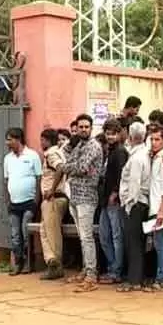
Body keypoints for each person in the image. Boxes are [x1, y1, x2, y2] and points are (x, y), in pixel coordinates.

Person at [58, 113, 104, 293]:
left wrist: (64, 168)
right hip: (75, 195)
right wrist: (69, 159)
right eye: (80, 127)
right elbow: (69, 158)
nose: (83, 130)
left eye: (86, 127)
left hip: (87, 196)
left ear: (91, 128)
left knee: (86, 237)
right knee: (81, 236)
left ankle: (91, 274)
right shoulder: (79, 145)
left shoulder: (94, 146)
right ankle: (86, 270)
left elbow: (80, 168)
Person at [3, 127, 42, 276]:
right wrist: (7, 199)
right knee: (15, 234)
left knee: (26, 232)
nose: (7, 143)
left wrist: (36, 200)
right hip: (14, 203)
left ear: (18, 139)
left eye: (10, 139)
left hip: (29, 202)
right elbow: (5, 180)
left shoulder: (32, 156)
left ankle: (27, 262)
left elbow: (39, 178)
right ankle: (17, 262)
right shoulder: (8, 159)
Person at [118, 121, 151, 292]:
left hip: (136, 203)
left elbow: (134, 183)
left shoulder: (138, 157)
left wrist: (129, 204)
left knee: (134, 243)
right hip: (140, 202)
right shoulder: (143, 154)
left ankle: (134, 280)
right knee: (136, 242)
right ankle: (136, 278)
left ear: (130, 137)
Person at [98, 118, 129, 284]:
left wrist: (115, 192)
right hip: (104, 199)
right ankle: (112, 266)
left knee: (116, 236)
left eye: (113, 134)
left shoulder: (120, 152)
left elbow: (122, 175)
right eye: (108, 133)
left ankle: (116, 270)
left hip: (114, 200)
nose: (110, 137)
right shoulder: (109, 151)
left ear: (119, 134)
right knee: (104, 235)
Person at [146, 125, 163, 292]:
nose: (154, 142)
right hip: (154, 206)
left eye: (157, 139)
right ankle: (160, 276)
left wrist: (162, 211)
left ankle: (161, 278)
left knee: (161, 244)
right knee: (157, 244)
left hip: (159, 207)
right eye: (152, 139)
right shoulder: (156, 157)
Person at [39, 128, 69, 281]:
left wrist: (51, 190)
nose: (41, 142)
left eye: (42, 139)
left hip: (53, 199)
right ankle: (51, 260)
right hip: (55, 198)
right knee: (44, 231)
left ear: (46, 140)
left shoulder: (51, 153)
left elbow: (60, 169)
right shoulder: (58, 152)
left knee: (52, 234)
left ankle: (56, 265)